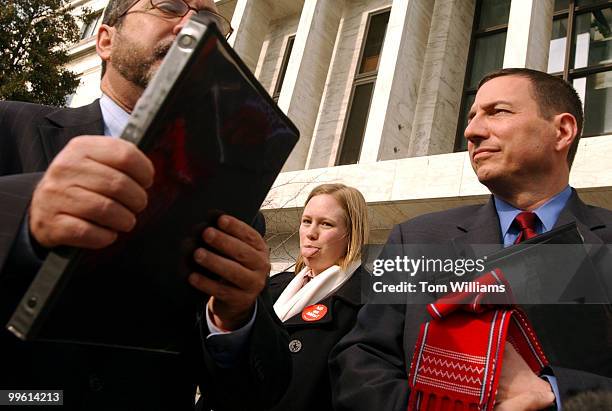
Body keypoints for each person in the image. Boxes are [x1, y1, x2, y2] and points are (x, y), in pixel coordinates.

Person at [0, 1, 289, 410]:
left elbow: (259, 392)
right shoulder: (10, 128)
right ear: (105, 39)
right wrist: (25, 220)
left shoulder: (234, 213)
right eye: (169, 6)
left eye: (209, 20)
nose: (193, 24)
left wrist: (236, 318)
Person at [330, 68, 612, 410]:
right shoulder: (413, 238)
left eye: (498, 112)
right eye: (472, 116)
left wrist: (556, 394)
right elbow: (360, 359)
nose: (472, 131)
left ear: (562, 130)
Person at [268, 183, 369, 411]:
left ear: (351, 234)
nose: (311, 233)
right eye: (306, 221)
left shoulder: (368, 304)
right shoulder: (272, 287)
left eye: (326, 224)